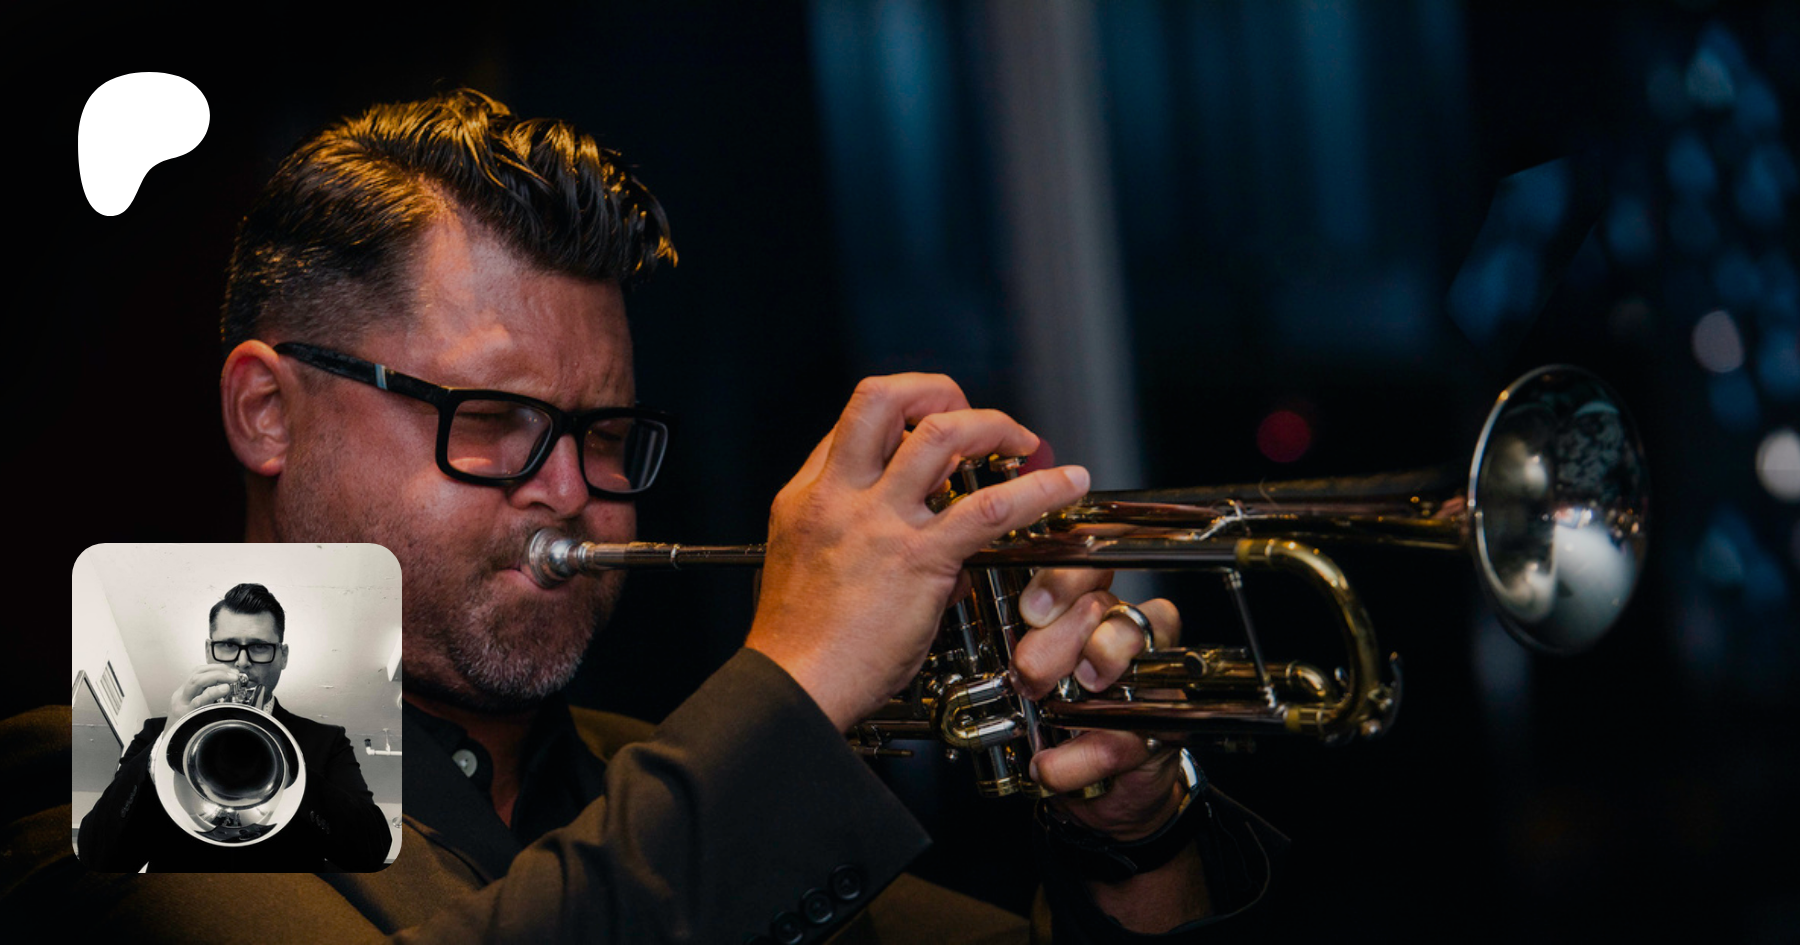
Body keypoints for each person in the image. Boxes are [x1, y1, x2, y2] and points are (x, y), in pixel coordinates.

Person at [2, 88, 1281, 942]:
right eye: (492, 418)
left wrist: (1134, 838)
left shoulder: (658, 781)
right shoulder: (107, 776)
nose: (571, 491)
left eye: (604, 435)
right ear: (267, 413)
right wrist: (805, 674)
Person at [75, 583, 391, 872]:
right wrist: (166, 740)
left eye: (259, 647)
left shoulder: (326, 741)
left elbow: (371, 852)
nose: (241, 662)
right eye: (227, 645)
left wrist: (290, 768)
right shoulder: (157, 733)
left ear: (282, 656)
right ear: (208, 650)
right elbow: (97, 857)